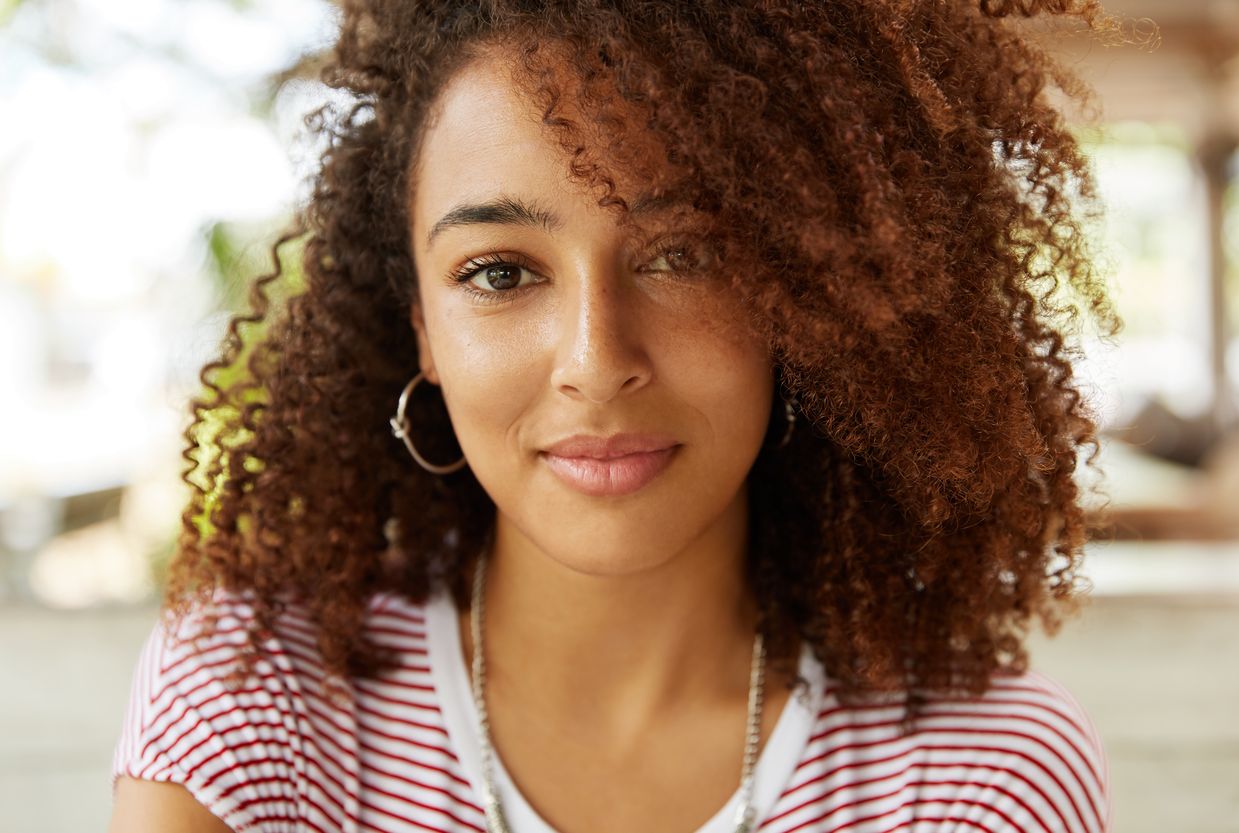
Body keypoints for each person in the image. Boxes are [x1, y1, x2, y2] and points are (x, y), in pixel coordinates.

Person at [108, 1, 1130, 830]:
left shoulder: (977, 777)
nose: (596, 364)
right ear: (421, 325)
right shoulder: (252, 704)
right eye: (500, 271)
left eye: (682, 255)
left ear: (800, 295)